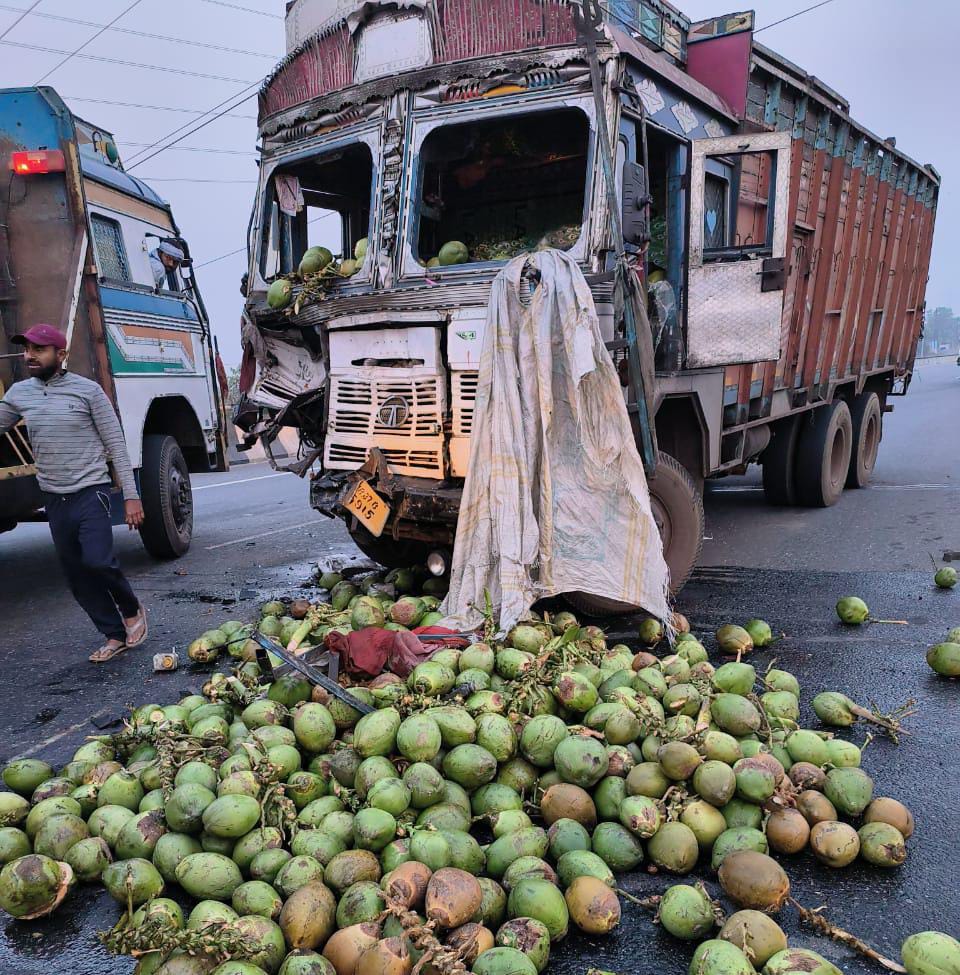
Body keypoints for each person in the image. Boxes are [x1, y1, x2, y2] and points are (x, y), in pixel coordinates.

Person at [0, 324, 148, 662]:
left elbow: (115, 444)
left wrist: (131, 494)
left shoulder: (88, 391)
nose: (29, 356)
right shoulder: (20, 393)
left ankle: (131, 608)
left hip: (90, 491)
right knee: (76, 574)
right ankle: (113, 635)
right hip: (54, 497)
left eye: (38, 350)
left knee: (98, 561)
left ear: (61, 354)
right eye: (26, 350)